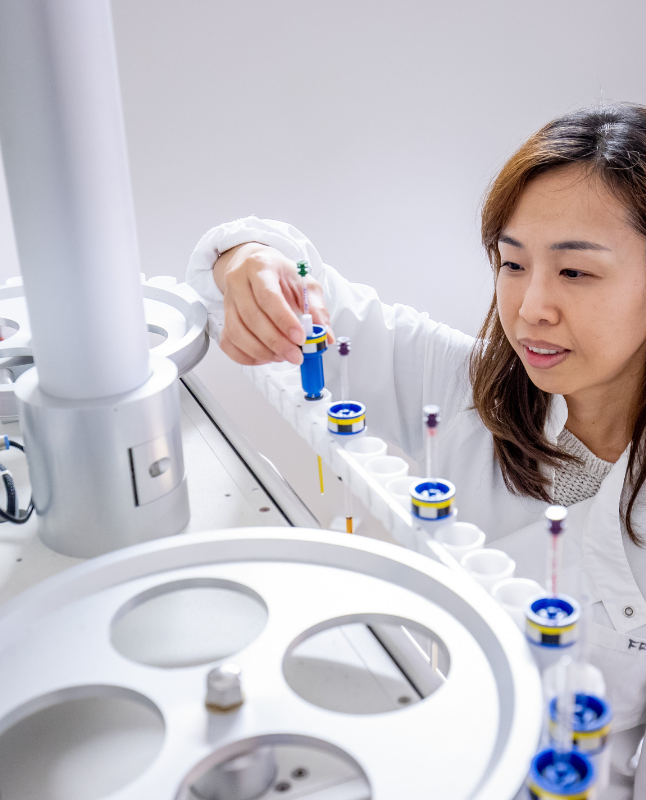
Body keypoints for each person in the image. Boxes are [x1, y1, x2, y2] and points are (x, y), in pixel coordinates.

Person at [186, 103, 646, 798]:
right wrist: (248, 263)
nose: (530, 308)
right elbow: (300, 286)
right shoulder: (469, 389)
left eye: (576, 273)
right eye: (513, 264)